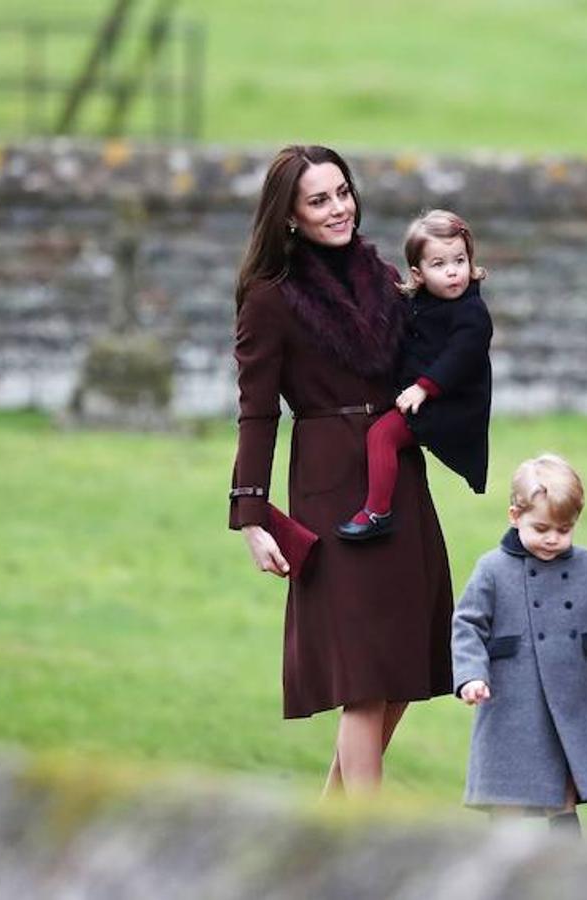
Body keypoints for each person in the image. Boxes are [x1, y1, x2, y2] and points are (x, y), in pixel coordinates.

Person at [229, 144, 454, 794]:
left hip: (399, 481)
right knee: (363, 679)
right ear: (290, 216)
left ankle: (325, 835)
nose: (337, 208)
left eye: (342, 192)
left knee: (403, 666)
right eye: (319, 199)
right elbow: (256, 413)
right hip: (330, 490)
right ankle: (367, 854)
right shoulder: (270, 299)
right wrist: (252, 517)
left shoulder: (383, 277)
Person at [451, 454, 587, 833]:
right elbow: (467, 625)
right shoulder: (492, 569)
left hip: (569, 707)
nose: (553, 538)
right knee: (507, 802)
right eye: (541, 527)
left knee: (562, 800)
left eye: (564, 529)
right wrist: (470, 675)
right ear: (514, 516)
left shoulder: (584, 565)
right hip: (512, 704)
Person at [336, 209, 494, 541]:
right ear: (417, 273)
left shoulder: (473, 313)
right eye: (439, 264)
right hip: (423, 396)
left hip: (451, 406)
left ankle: (378, 512)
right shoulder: (418, 303)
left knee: (382, 436)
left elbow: (459, 358)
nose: (453, 272)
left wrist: (423, 389)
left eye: (460, 260)